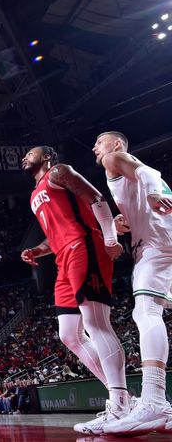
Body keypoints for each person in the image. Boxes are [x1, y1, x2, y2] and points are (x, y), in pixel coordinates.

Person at [20, 146, 129, 435]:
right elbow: (55, 232)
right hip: (62, 257)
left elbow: (96, 198)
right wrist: (37, 250)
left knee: (96, 324)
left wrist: (110, 239)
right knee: (69, 334)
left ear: (46, 157)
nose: (24, 157)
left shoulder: (59, 171)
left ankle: (119, 405)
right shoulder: (34, 195)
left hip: (84, 246)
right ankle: (123, 400)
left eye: (29, 153)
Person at [91, 131, 172, 436]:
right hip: (159, 238)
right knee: (150, 311)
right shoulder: (125, 175)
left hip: (155, 242)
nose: (95, 148)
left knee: (146, 311)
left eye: (100, 142)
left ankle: (154, 400)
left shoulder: (115, 157)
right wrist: (121, 220)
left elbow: (148, 173)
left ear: (116, 144)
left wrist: (151, 195)